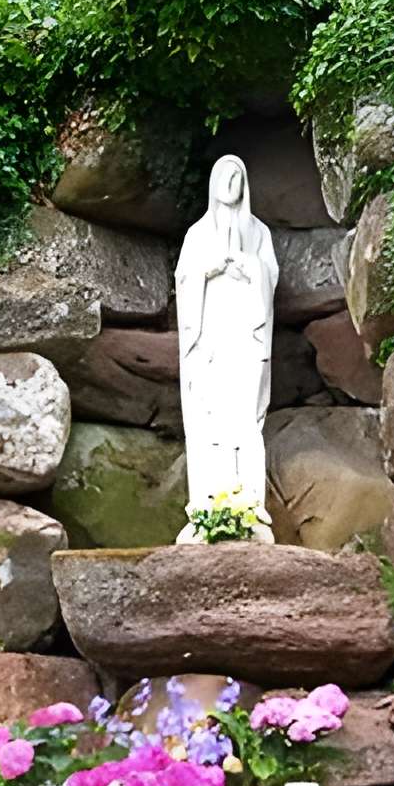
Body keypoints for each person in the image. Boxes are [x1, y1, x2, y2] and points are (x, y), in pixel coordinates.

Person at [172, 154, 279, 538]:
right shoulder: (197, 235)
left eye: (238, 176)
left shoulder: (259, 234)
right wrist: (208, 270)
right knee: (209, 418)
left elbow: (270, 275)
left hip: (243, 341)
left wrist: (250, 268)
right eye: (225, 175)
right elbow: (184, 278)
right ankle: (207, 505)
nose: (231, 183)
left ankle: (248, 505)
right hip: (211, 340)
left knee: (244, 419)